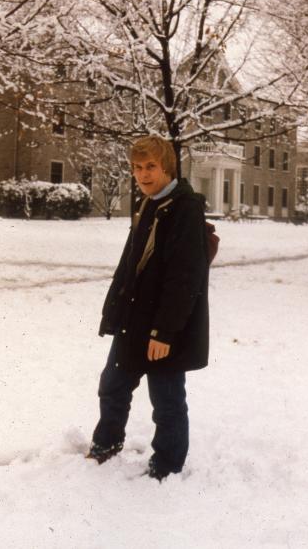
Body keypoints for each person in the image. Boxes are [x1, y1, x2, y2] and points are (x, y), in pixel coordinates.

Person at [87, 135, 210, 480]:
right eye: (137, 168)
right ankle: (106, 444)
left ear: (167, 167)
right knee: (113, 384)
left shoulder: (184, 207)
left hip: (163, 327)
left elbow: (184, 278)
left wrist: (165, 332)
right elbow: (131, 265)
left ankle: (167, 466)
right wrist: (113, 311)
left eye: (150, 167)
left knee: (166, 399)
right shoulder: (150, 203)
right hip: (134, 319)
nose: (143, 174)